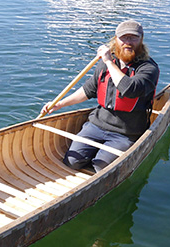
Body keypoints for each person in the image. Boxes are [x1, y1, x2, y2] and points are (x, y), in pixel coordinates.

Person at [41, 20, 160, 172]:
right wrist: (59, 104)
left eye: (133, 38)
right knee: (72, 161)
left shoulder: (148, 68)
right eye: (124, 38)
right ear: (115, 39)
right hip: (97, 125)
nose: (128, 42)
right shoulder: (105, 63)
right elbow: (88, 90)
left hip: (126, 132)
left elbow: (129, 90)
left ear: (141, 40)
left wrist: (109, 62)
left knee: (101, 167)